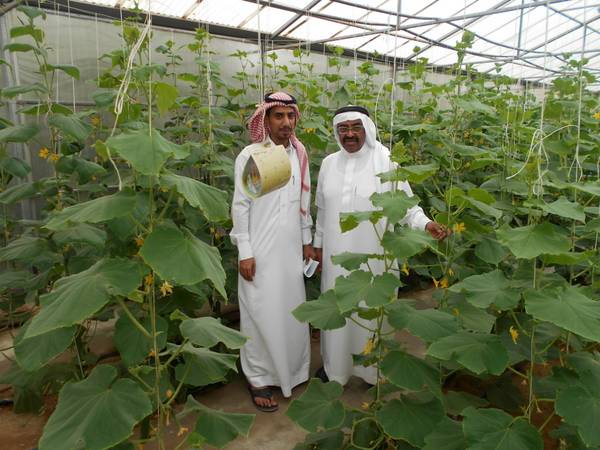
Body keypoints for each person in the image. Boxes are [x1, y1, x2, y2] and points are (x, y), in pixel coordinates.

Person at [313, 105, 448, 386]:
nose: (349, 134)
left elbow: (406, 205)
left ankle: (370, 371)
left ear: (367, 129)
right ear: (337, 132)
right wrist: (318, 245)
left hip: (375, 255)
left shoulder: (385, 161)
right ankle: (335, 368)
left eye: (355, 127)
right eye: (343, 128)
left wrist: (426, 224)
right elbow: (323, 212)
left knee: (372, 312)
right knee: (338, 308)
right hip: (336, 257)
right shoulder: (328, 163)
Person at [230, 92, 315, 412]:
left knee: (291, 311)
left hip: (291, 249)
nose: (286, 123)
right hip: (260, 251)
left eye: (290, 116)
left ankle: (292, 372)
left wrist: (306, 241)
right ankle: (259, 377)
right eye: (278, 116)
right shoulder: (252, 155)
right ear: (264, 120)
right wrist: (245, 251)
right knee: (258, 311)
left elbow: (301, 206)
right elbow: (241, 205)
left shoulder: (299, 154)